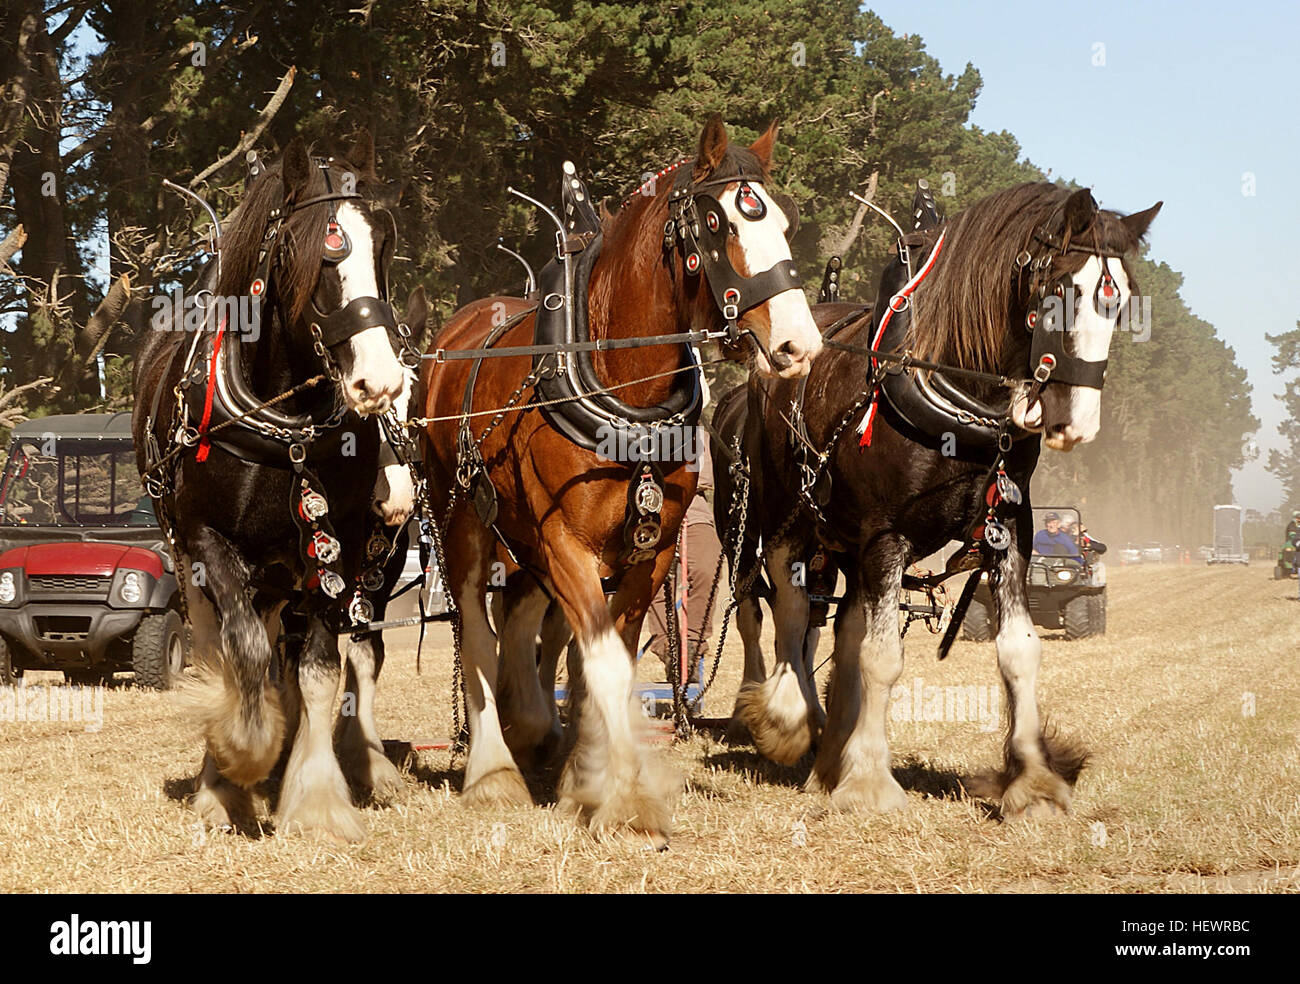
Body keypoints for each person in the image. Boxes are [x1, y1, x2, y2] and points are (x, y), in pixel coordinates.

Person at [641, 430, 722, 684]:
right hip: (652, 515)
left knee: (707, 567)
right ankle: (668, 649)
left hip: (693, 512)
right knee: (650, 577)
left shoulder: (700, 437)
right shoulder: (642, 436)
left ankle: (693, 645)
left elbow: (703, 478)